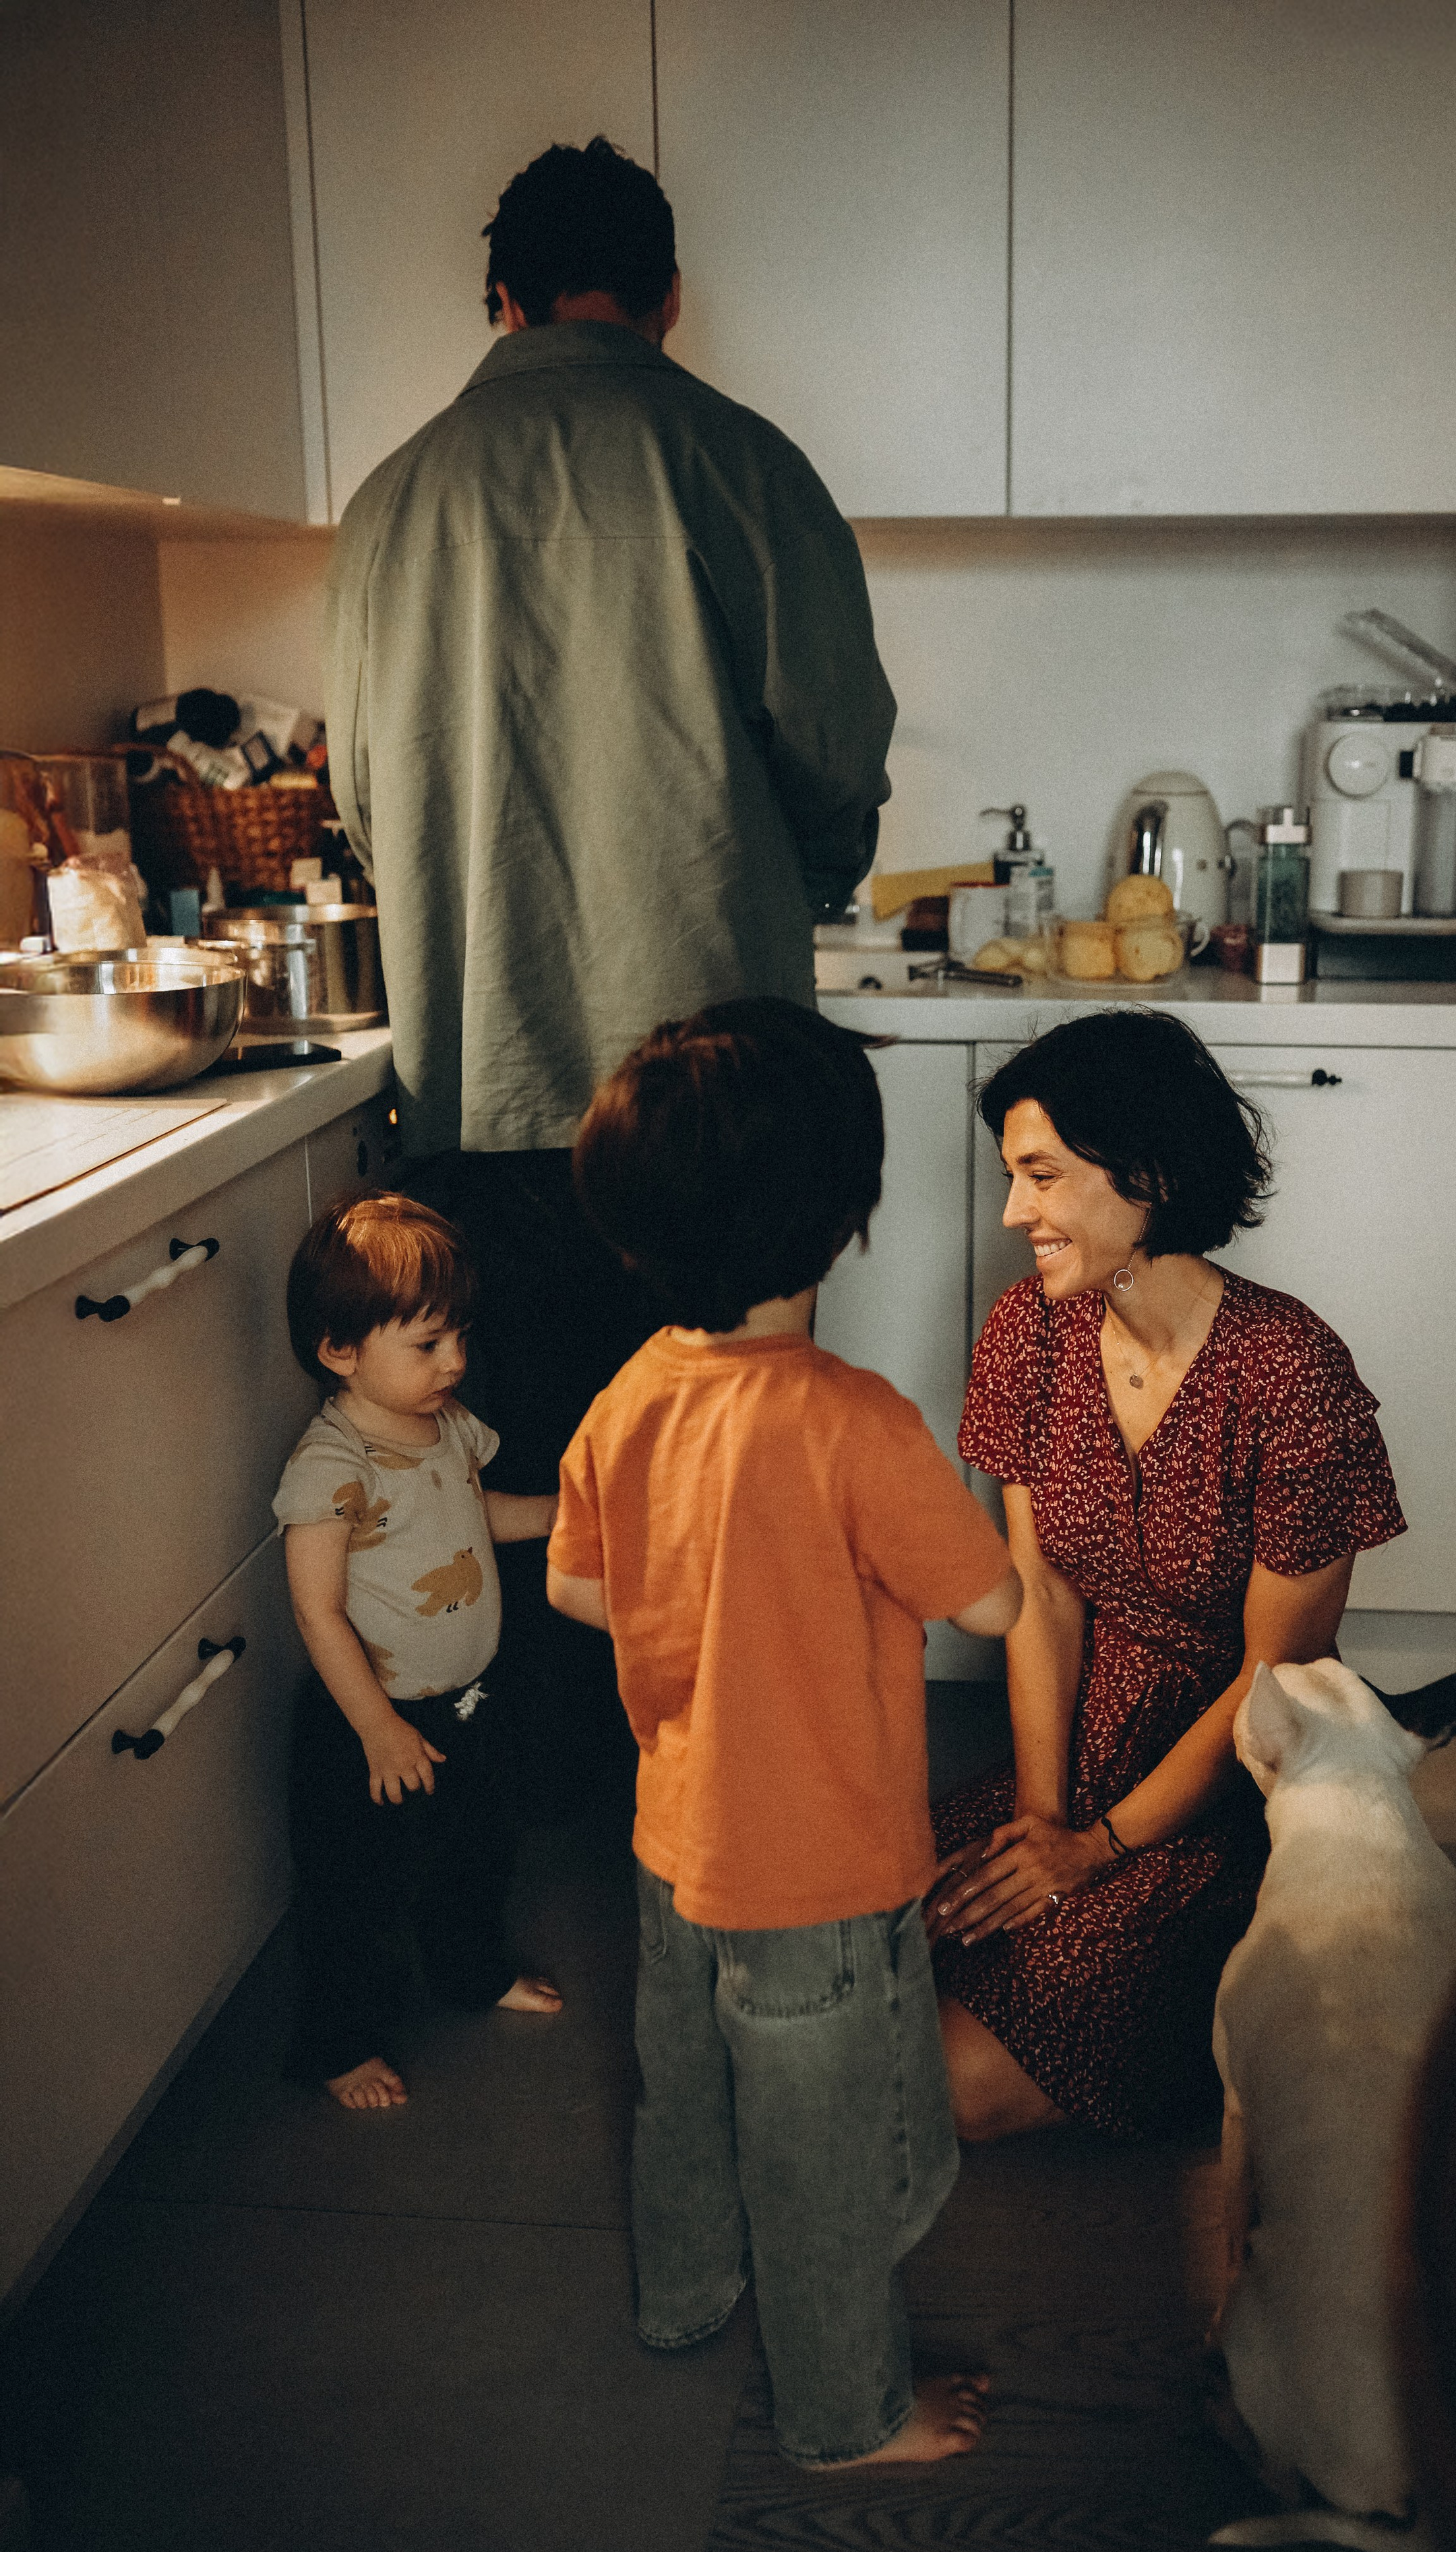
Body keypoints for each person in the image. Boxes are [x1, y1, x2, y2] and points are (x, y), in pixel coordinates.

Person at [323, 134, 897, 1813]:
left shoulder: (392, 499)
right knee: (729, 1467)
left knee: (527, 1472)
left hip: (485, 1089)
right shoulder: (745, 463)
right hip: (714, 1105)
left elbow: (362, 799)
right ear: (666, 299)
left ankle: (560, 1812)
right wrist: (798, 884)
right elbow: (836, 749)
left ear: (498, 299)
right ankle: (729, 1796)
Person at [545, 1000, 1022, 2466]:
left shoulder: (628, 1397)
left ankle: (685, 2297)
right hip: (821, 1873)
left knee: (685, 2097)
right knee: (826, 2161)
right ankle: (846, 2412)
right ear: (841, 1223)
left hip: (676, 1842)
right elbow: (993, 1604)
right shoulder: (853, 1421)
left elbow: (574, 1585)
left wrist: (708, 1608)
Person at [926, 1012, 1407, 2142]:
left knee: (951, 2086)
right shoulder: (1028, 1334)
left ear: (1147, 1175)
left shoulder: (1293, 1374)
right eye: (1012, 1177)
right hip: (1083, 1745)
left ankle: (1224, 2032)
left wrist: (1097, 1851)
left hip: (1241, 1777)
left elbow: (1275, 1677)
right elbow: (1041, 1597)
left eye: (1043, 1176)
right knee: (871, 1933)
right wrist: (1044, 1818)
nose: (1014, 1214)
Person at [274, 1194, 562, 2110]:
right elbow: (319, 1612)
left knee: (476, 1855)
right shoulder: (333, 1468)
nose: (456, 1361)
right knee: (358, 1893)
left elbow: (476, 1514)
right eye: (429, 1344)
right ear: (340, 1350)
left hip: (466, 1702)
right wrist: (376, 1728)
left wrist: (559, 1516)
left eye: (459, 1337)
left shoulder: (449, 1426)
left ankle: (470, 1971)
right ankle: (339, 2042)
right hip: (368, 1725)